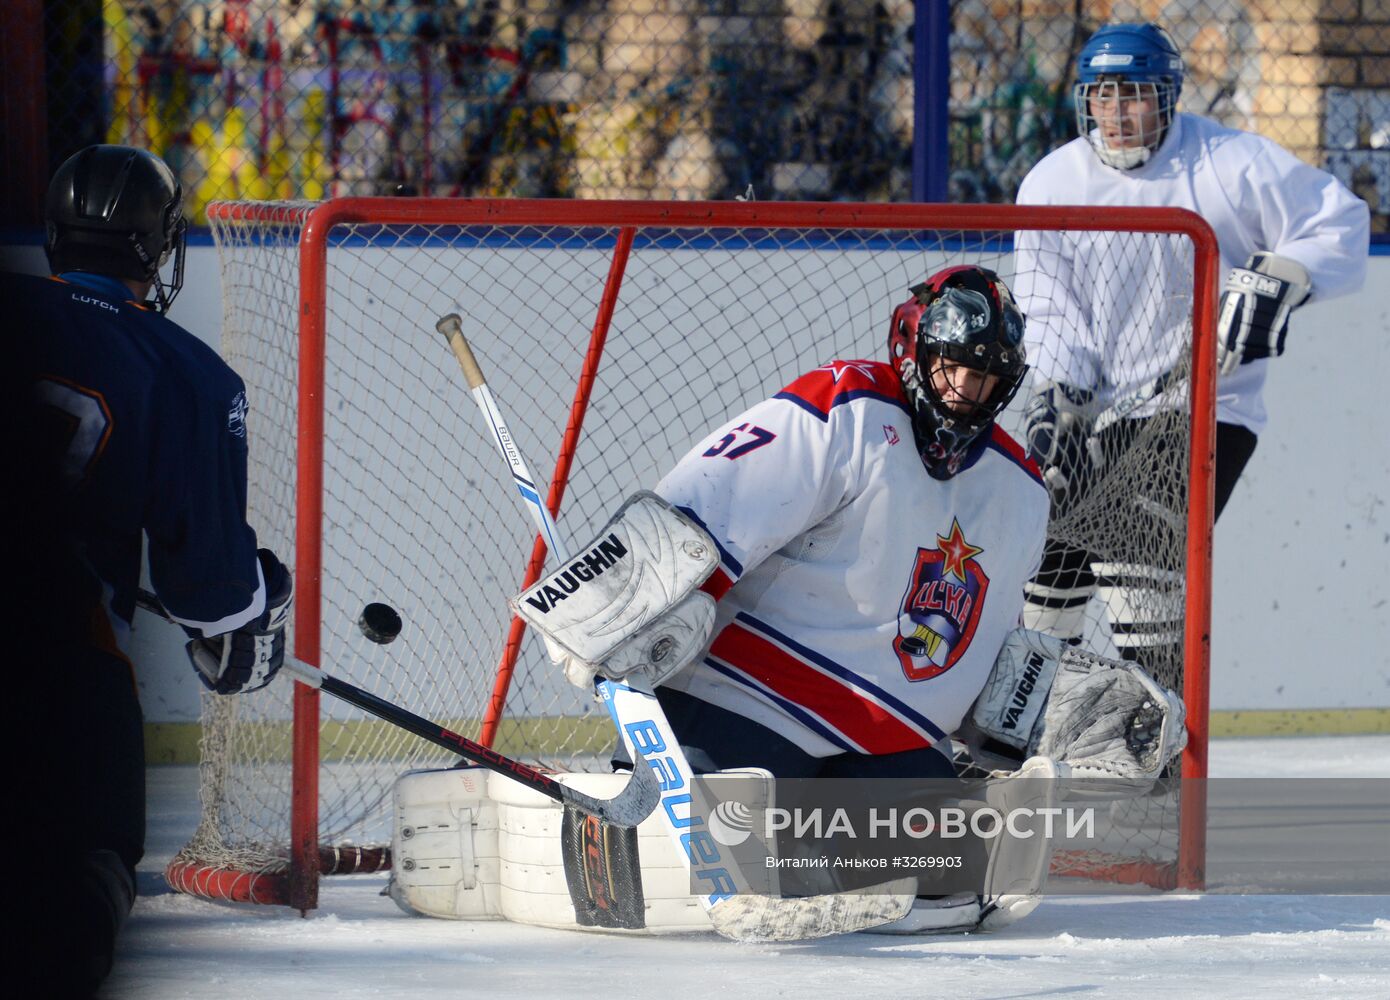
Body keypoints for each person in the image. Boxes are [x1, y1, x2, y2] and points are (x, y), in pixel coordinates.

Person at [515, 265, 1187, 934]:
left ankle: (816, 856)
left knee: (952, 871)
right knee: (701, 844)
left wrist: (1029, 706)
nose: (961, 392)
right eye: (950, 368)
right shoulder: (845, 409)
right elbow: (702, 511)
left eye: (981, 378)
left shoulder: (1019, 492)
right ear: (915, 350)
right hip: (747, 705)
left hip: (881, 739)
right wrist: (610, 604)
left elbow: (980, 649)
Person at [7, 145, 292, 996]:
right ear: (157, 247)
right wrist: (250, 616)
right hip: (59, 659)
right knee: (86, 861)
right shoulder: (187, 373)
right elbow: (208, 591)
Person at [1011, 22, 1369, 660]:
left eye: (1134, 94)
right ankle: (1020, 738)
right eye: (1100, 95)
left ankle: (1155, 750)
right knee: (1044, 572)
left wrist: (1283, 278)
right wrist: (1062, 392)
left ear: (1168, 96)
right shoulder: (1051, 183)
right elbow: (1050, 309)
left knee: (1137, 563)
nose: (1115, 113)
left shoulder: (1230, 163)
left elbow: (1340, 219)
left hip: (1209, 411)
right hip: (1107, 417)